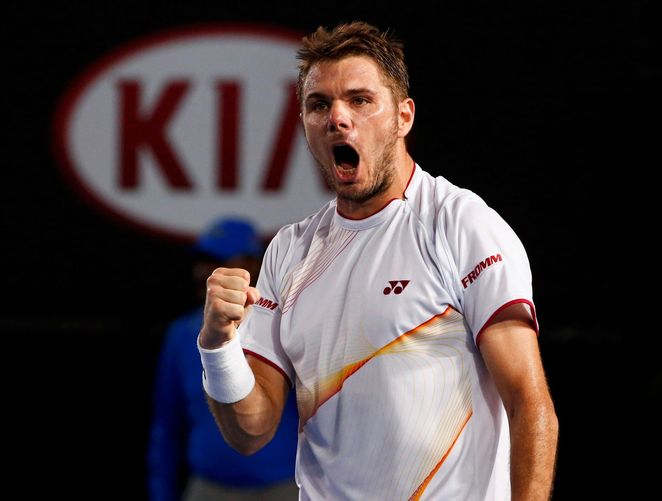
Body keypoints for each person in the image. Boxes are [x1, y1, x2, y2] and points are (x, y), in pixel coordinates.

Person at [197, 22, 559, 500]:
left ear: (404, 117)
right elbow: (251, 431)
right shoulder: (289, 250)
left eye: (360, 100)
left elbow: (528, 402)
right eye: (319, 104)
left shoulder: (461, 225)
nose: (337, 118)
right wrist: (218, 346)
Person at [148, 218, 299, 501]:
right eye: (203, 261)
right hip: (208, 488)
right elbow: (166, 425)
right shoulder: (181, 334)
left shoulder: (288, 328)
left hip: (285, 488)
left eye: (219, 261)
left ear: (252, 265)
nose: (207, 272)